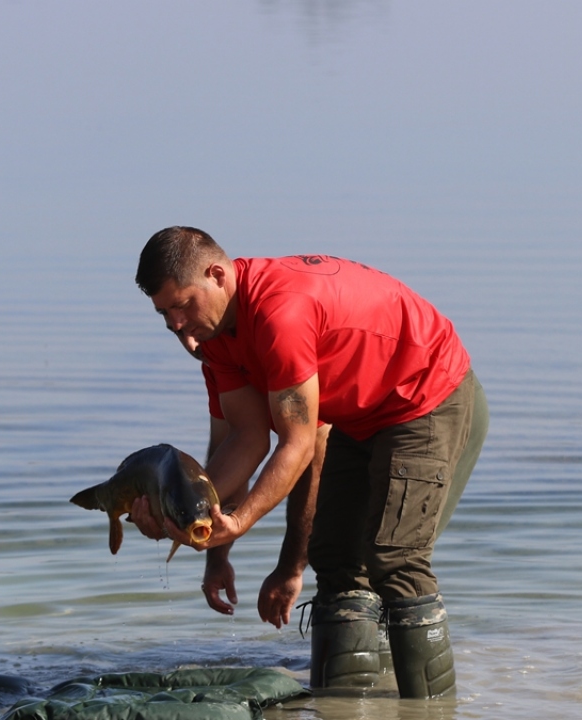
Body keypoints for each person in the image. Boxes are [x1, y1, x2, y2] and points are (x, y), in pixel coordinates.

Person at [133, 227, 488, 699]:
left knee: (395, 559)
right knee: (336, 559)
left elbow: (298, 445)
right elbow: (245, 440)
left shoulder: (280, 314)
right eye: (164, 313)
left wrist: (239, 522)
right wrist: (190, 522)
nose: (176, 325)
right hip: (358, 418)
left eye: (182, 305)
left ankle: (432, 709)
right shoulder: (214, 336)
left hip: (424, 397)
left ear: (217, 275)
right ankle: (340, 705)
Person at [130, 333, 329, 630]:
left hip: (377, 431)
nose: (191, 344)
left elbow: (313, 456)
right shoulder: (217, 360)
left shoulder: (277, 343)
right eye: (177, 333)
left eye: (189, 323)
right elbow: (231, 457)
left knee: (346, 573)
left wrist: (290, 569)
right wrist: (216, 557)